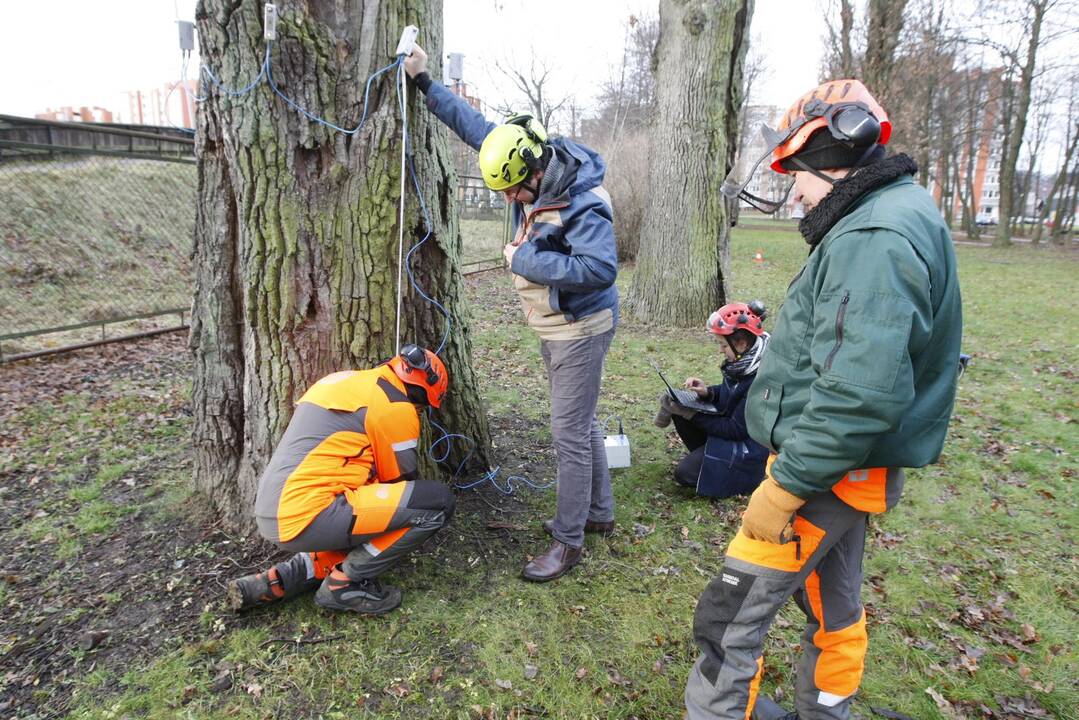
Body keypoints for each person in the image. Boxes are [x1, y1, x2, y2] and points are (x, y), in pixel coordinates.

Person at [686, 79, 963, 719]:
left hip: (823, 473)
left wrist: (784, 486)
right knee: (834, 607)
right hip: (847, 468)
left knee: (730, 619)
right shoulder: (890, 215)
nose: (794, 193)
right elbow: (855, 350)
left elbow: (857, 394)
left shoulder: (874, 238)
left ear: (829, 156)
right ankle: (825, 711)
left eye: (797, 176)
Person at [403, 45, 619, 582]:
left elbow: (600, 269)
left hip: (579, 327)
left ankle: (568, 543)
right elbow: (479, 130)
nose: (508, 202)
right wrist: (427, 83)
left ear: (534, 172)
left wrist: (525, 258)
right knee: (582, 422)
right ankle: (598, 513)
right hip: (556, 324)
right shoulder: (528, 157)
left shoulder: (582, 204)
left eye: (511, 192)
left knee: (569, 431)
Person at [227, 345, 455, 615]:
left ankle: (280, 580)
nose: (418, 413)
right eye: (421, 408)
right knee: (434, 503)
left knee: (364, 509)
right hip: (311, 512)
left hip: (273, 508)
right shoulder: (394, 406)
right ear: (422, 391)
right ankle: (344, 584)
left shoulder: (343, 381)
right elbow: (401, 483)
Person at [655, 302, 770, 499]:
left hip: (751, 451)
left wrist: (691, 414)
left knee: (685, 474)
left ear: (741, 343)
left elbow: (736, 429)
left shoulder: (760, 377)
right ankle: (707, 457)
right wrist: (708, 393)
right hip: (735, 436)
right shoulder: (744, 363)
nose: (720, 350)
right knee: (682, 411)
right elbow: (730, 394)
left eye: (723, 345)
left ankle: (744, 477)